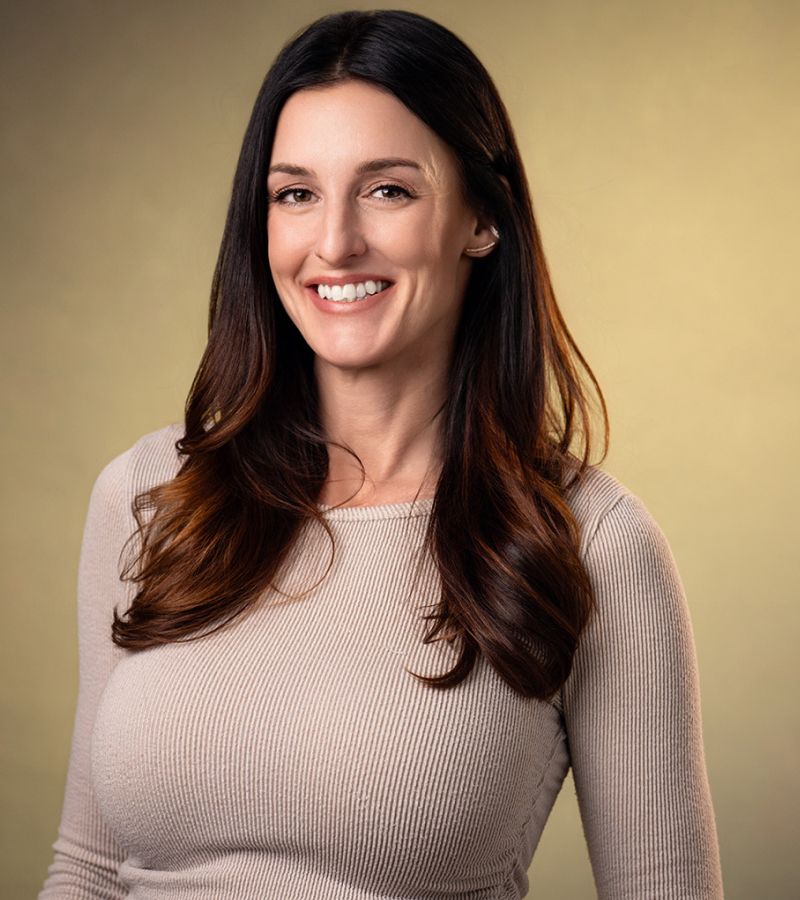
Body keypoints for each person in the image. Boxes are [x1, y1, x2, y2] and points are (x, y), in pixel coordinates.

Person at [38, 9, 724, 899]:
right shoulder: (152, 495)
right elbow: (86, 870)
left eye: (387, 190)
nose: (334, 244)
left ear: (483, 217)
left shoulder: (592, 544)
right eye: (296, 194)